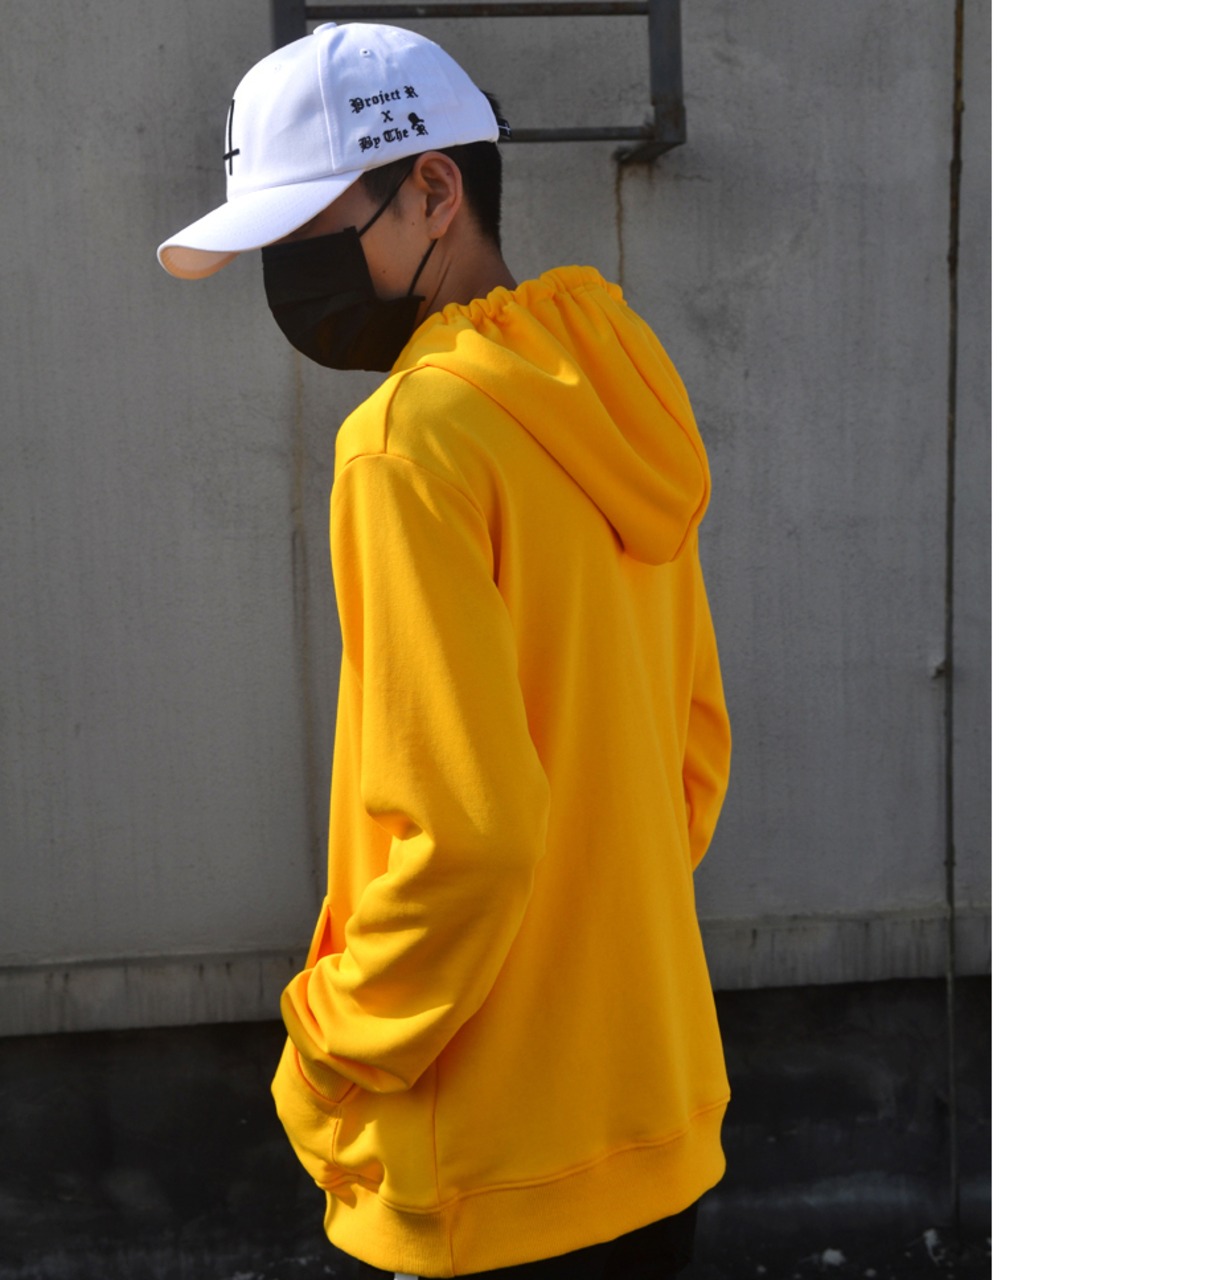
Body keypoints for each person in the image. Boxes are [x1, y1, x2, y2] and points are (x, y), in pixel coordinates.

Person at [156, 21, 732, 1280]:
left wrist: (327, 1049)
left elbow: (467, 836)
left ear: (433, 189)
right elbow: (689, 763)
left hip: (483, 1162)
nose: (288, 278)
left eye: (306, 234)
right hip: (656, 1117)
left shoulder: (408, 442)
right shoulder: (615, 383)